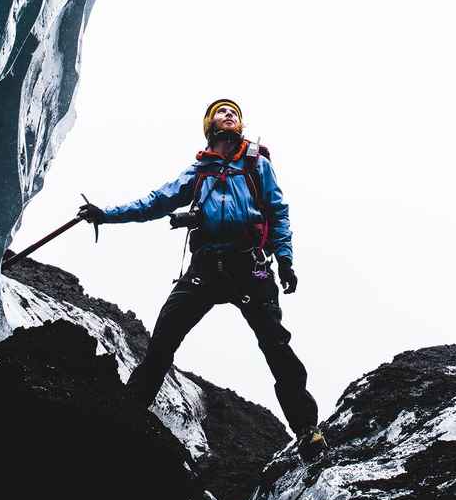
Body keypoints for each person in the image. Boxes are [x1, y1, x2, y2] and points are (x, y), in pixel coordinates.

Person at [81, 99, 327, 461]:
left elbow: (277, 211)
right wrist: (107, 215)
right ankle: (128, 413)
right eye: (221, 111)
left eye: (234, 113)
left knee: (276, 345)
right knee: (163, 339)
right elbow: (155, 202)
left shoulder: (257, 164)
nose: (229, 115)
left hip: (250, 266)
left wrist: (286, 260)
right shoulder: (199, 172)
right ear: (209, 125)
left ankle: (307, 430)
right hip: (207, 265)